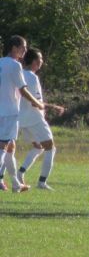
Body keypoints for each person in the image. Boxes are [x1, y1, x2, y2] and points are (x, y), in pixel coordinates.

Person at [0, 36, 45, 192]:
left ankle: (15, 183)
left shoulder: (0, 63)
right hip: (9, 113)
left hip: (2, 111)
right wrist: (37, 103)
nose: (25, 51)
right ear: (14, 47)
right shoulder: (15, 65)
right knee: (3, 147)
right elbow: (23, 89)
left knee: (10, 148)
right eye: (23, 47)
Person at [16, 48, 63, 190]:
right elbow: (36, 102)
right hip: (34, 118)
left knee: (38, 147)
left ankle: (20, 173)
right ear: (35, 61)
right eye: (40, 59)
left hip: (21, 119)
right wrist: (54, 106)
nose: (42, 61)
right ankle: (42, 182)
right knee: (51, 147)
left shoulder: (19, 74)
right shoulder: (32, 77)